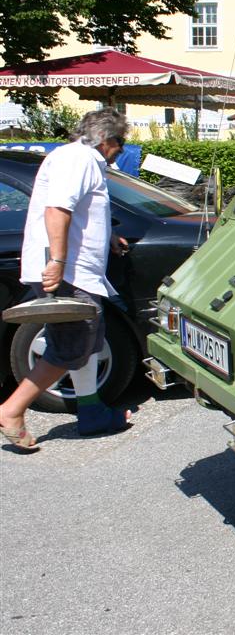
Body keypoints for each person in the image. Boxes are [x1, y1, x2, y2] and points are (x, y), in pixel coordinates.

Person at [0, 108, 131, 452]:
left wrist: (107, 238)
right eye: (120, 141)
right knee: (73, 345)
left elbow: (82, 210)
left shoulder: (74, 158)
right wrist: (57, 261)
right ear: (106, 139)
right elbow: (58, 209)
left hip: (74, 270)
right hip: (69, 273)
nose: (121, 149)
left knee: (85, 341)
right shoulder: (81, 159)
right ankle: (12, 410)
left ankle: (92, 412)